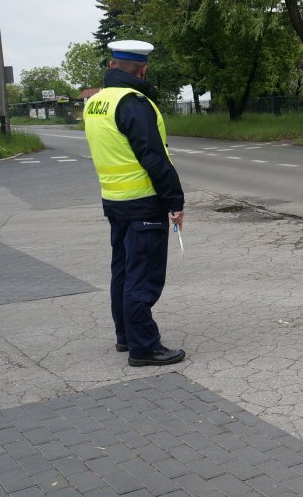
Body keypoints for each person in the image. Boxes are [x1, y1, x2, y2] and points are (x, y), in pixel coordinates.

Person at [83, 40, 187, 367]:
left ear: (113, 66)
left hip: (115, 200)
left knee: (124, 271)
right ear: (143, 69)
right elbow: (153, 157)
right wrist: (175, 200)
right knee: (143, 275)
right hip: (144, 203)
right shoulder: (134, 103)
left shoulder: (96, 103)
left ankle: (125, 336)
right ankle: (144, 345)